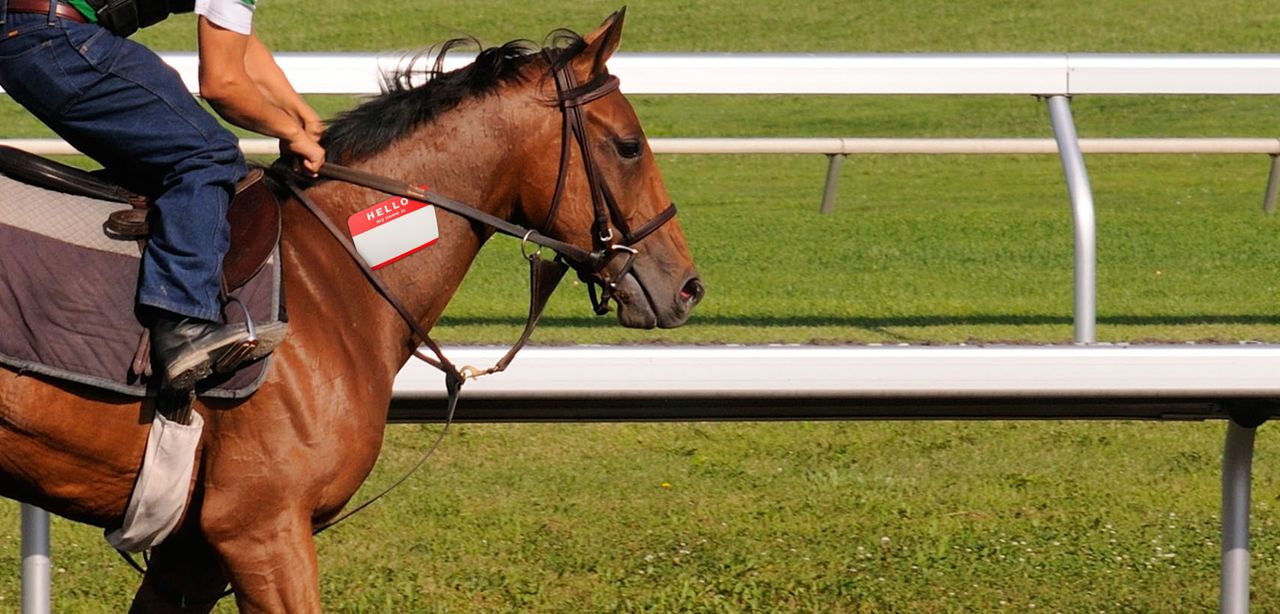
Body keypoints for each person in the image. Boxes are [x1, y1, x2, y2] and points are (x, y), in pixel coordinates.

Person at [0, 0, 324, 391]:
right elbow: (222, 84)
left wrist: (300, 115)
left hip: (31, 30)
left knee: (165, 149)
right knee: (207, 155)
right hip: (56, 36)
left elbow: (239, 43)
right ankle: (183, 324)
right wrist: (291, 134)